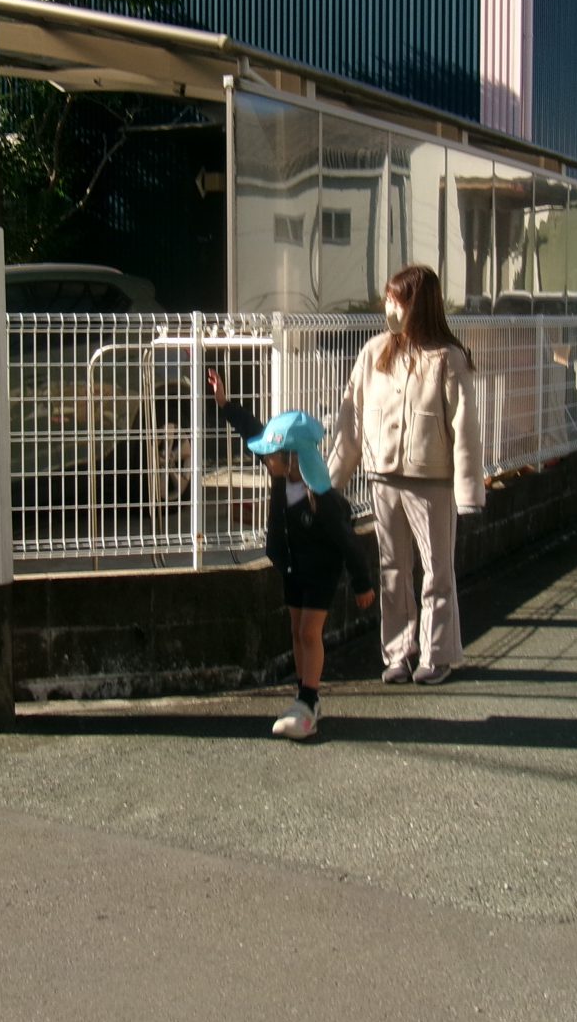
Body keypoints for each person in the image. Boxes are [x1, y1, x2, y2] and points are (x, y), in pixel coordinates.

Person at [328, 264, 485, 686]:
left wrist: (468, 492)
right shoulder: (373, 352)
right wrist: (330, 483)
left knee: (436, 571)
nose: (389, 309)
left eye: (396, 301)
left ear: (418, 304)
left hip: (432, 480)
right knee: (392, 569)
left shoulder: (448, 358)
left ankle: (437, 654)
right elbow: (351, 419)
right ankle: (398, 652)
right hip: (382, 478)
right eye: (387, 300)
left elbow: (465, 429)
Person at [207, 371, 375, 741]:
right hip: (293, 566)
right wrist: (225, 404)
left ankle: (308, 699)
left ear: (293, 458)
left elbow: (348, 542)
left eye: (273, 454)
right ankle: (304, 695)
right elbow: (253, 432)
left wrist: (362, 582)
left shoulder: (323, 500)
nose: (266, 459)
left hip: (320, 571)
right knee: (297, 632)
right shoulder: (281, 478)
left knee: (310, 633)